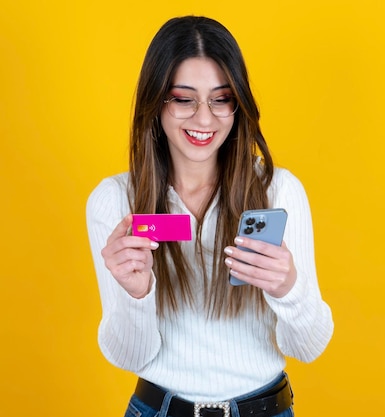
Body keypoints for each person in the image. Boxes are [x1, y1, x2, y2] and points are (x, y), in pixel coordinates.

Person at [86, 15, 333, 417]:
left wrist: (288, 288)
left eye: (221, 99)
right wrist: (136, 295)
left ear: (238, 104)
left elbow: (309, 347)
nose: (204, 119)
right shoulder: (114, 201)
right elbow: (128, 356)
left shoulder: (278, 190)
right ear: (156, 103)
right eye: (183, 99)